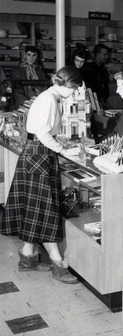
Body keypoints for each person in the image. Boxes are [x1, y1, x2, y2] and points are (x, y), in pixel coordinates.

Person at [0, 66, 83, 283]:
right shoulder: (48, 100)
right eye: (74, 90)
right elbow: (42, 133)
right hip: (39, 156)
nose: (74, 94)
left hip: (36, 155)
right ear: (69, 85)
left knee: (34, 208)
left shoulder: (49, 97)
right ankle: (58, 263)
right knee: (46, 209)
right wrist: (62, 149)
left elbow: (43, 130)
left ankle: (28, 256)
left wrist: (58, 143)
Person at [88, 44, 110, 108]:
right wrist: (100, 100)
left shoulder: (101, 67)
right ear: (97, 54)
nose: (107, 57)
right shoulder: (91, 68)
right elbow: (94, 88)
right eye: (104, 55)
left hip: (101, 100)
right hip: (97, 101)